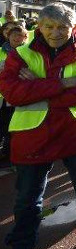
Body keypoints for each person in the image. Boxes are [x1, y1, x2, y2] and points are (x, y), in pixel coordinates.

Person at [0, 3, 76, 249]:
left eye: (62, 27)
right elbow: (12, 94)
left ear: (74, 28)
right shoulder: (20, 53)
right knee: (27, 200)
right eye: (49, 27)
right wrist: (61, 83)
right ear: (39, 26)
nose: (55, 32)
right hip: (33, 135)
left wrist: (36, 86)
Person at [0, 24, 28, 161]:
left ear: (25, 38)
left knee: (14, 126)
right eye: (14, 35)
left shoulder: (28, 53)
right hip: (2, 96)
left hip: (18, 95)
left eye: (20, 35)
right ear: (8, 36)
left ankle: (10, 153)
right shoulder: (0, 50)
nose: (17, 38)